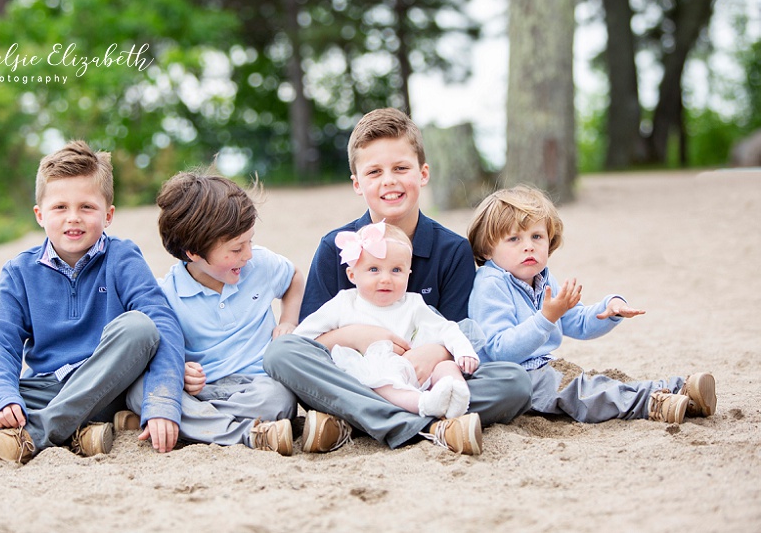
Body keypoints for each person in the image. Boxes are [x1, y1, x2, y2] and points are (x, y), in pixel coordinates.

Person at [264, 107, 532, 456]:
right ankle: (423, 425)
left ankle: (361, 420)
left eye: (401, 168)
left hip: (427, 376)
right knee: (280, 353)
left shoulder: (451, 250)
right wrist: (354, 335)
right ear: (358, 184)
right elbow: (310, 342)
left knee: (515, 382)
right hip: (354, 375)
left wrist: (431, 353)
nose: (389, 180)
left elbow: (463, 332)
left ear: (423, 174)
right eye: (374, 172)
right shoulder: (337, 246)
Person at [0, 140, 185, 464]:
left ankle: (38, 434)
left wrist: (162, 401)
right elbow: (1, 344)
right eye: (60, 207)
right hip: (48, 388)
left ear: (108, 215)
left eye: (87, 208)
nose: (73, 218)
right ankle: (77, 432)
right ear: (40, 214)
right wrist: (4, 398)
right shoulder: (19, 272)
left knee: (139, 327)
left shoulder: (121, 257)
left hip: (108, 388)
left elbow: (162, 322)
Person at [467, 185, 717, 424]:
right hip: (514, 378)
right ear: (488, 249)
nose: (529, 246)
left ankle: (680, 391)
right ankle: (653, 403)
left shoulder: (542, 279)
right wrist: (545, 319)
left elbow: (576, 321)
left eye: (537, 236)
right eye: (514, 239)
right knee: (584, 392)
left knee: (598, 381)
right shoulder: (491, 284)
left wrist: (608, 310)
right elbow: (499, 349)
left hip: (545, 368)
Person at [122, 171, 302, 455]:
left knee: (279, 397)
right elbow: (161, 350)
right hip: (202, 391)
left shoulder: (261, 266)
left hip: (256, 385)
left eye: (250, 242)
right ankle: (248, 433)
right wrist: (179, 370)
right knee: (139, 389)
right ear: (193, 252)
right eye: (236, 248)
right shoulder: (167, 294)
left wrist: (289, 320)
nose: (248, 255)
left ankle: (203, 427)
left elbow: (294, 279)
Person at [294, 222, 484, 453]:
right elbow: (301, 339)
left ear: (408, 273)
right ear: (352, 274)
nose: (386, 279)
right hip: (370, 380)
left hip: (415, 371)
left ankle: (456, 395)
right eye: (374, 270)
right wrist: (349, 337)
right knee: (380, 383)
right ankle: (424, 408)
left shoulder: (413, 304)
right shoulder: (344, 303)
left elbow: (447, 329)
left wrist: (463, 352)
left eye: (396, 270)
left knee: (447, 366)